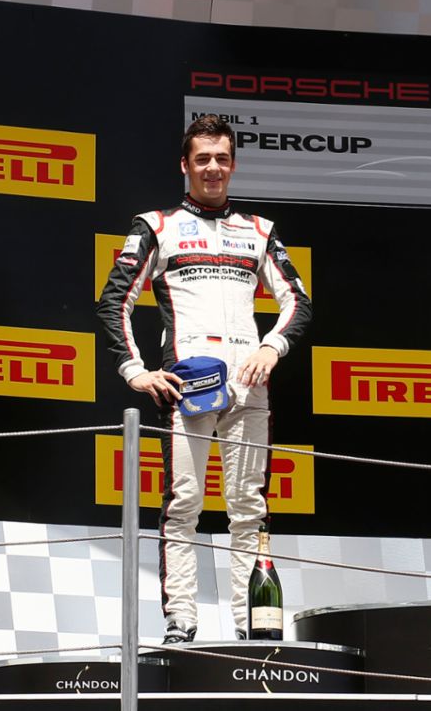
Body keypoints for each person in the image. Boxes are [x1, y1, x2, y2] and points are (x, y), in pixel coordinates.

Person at [98, 114, 310, 644]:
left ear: (233, 164)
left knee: (249, 507)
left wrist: (272, 345)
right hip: (188, 386)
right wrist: (135, 370)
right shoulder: (156, 226)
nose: (212, 168)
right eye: (202, 159)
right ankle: (181, 621)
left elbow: (298, 301)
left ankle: (251, 622)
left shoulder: (259, 230)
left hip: (249, 385)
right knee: (184, 504)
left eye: (221, 158)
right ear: (184, 165)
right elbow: (114, 300)